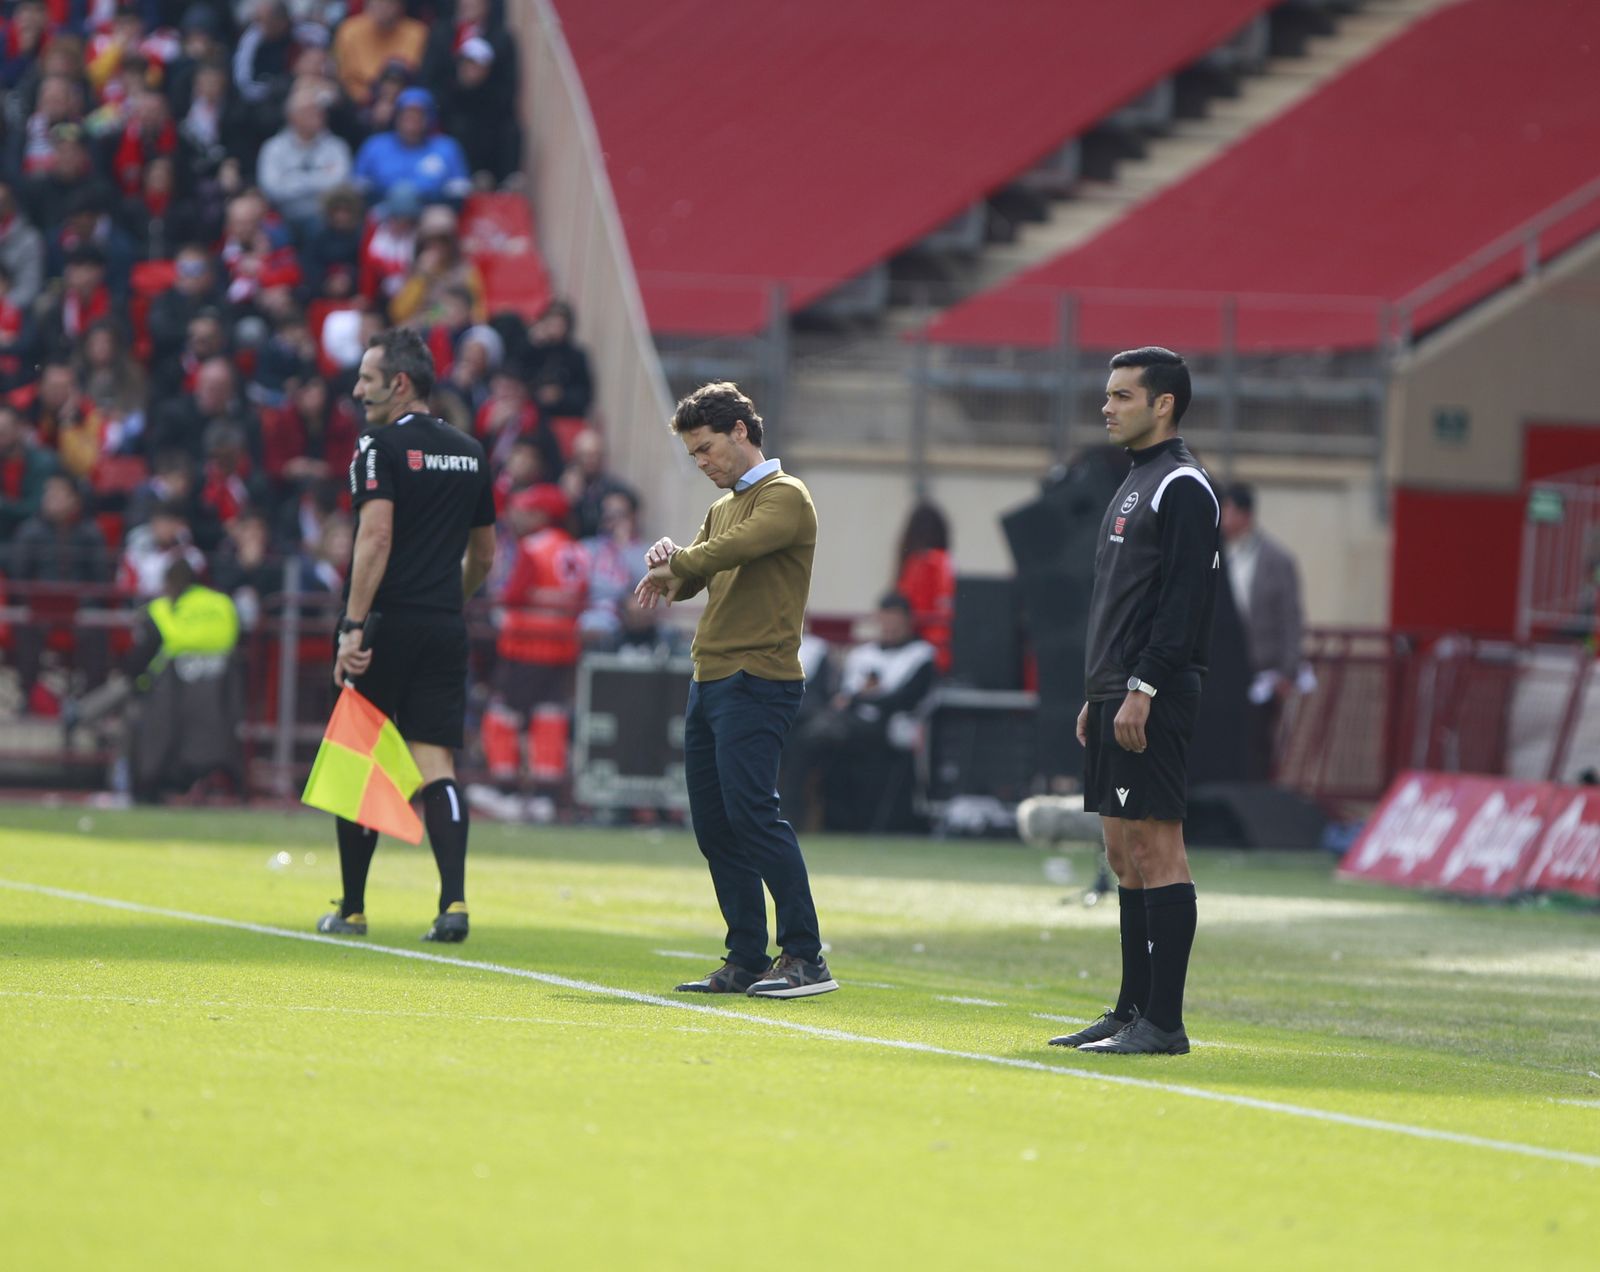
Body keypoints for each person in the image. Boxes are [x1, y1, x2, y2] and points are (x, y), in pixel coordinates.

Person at [635, 381, 835, 999]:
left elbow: (733, 550)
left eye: (706, 449)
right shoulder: (722, 507)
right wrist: (673, 558)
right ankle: (745, 956)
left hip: (758, 678)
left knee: (753, 815)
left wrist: (686, 560)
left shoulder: (786, 496)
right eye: (694, 454)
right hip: (712, 677)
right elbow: (696, 577)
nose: (703, 463)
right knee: (716, 826)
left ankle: (805, 956)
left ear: (741, 432)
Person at [1050, 347, 1220, 1056]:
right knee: (1121, 851)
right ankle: (1130, 1011)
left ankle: (1165, 1024)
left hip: (1156, 691)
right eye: (1107, 394)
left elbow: (1182, 603)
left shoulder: (1182, 485)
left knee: (1158, 846)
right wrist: (1102, 691)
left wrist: (1143, 686)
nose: (1107, 406)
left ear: (1163, 405)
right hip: (1117, 690)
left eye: (1122, 396)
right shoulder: (1134, 480)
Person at [319, 327, 497, 945]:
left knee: (360, 757)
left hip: (385, 622)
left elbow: (375, 538)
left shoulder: (376, 447)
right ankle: (453, 904)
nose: (357, 390)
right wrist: (452, 599)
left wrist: (352, 625)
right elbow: (485, 555)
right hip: (445, 626)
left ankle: (354, 909)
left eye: (366, 379)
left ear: (399, 383)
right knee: (436, 765)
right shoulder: (472, 450)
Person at [788, 592, 937, 832]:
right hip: (855, 723)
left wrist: (865, 697)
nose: (889, 627)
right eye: (885, 620)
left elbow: (907, 698)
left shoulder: (920, 655)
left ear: (907, 621)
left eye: (895, 621)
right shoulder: (863, 654)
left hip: (892, 725)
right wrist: (865, 697)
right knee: (807, 740)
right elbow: (844, 696)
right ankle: (803, 815)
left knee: (823, 733)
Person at [1220, 483, 1304, 782]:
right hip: (1223, 669)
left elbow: (1290, 618)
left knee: (1257, 742)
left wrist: (1287, 671)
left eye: (1227, 510)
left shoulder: (1276, 560)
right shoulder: (1215, 554)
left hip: (1261, 670)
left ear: (1245, 515)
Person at [893, 500, 954, 673]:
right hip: (944, 646)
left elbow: (908, 603)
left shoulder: (923, 563)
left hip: (922, 646)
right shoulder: (946, 561)